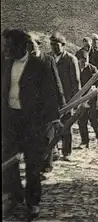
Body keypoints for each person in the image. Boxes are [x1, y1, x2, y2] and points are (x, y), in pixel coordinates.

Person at [2, 29, 63, 221]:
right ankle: (15, 195)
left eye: (9, 46)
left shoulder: (39, 64)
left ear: (21, 46)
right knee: (9, 159)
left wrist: (54, 120)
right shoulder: (5, 63)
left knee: (32, 163)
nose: (5, 49)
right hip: (11, 119)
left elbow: (51, 92)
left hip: (32, 122)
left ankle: (33, 201)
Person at [27, 32, 65, 174]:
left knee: (48, 137)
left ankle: (47, 165)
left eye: (31, 44)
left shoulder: (48, 60)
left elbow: (57, 82)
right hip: (32, 106)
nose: (28, 47)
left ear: (38, 45)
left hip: (48, 105)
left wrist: (62, 101)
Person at [50, 33, 81, 161]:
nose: (54, 48)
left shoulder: (70, 59)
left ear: (63, 45)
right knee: (52, 126)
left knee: (66, 126)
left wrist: (75, 101)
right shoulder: (48, 58)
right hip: (52, 98)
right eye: (52, 45)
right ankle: (54, 151)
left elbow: (76, 82)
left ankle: (67, 152)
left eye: (56, 45)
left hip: (67, 99)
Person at [76, 50, 98, 148]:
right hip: (80, 99)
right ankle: (84, 141)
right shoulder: (75, 69)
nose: (84, 63)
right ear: (78, 60)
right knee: (82, 121)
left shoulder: (92, 69)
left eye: (86, 60)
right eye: (82, 61)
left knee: (95, 120)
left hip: (93, 99)